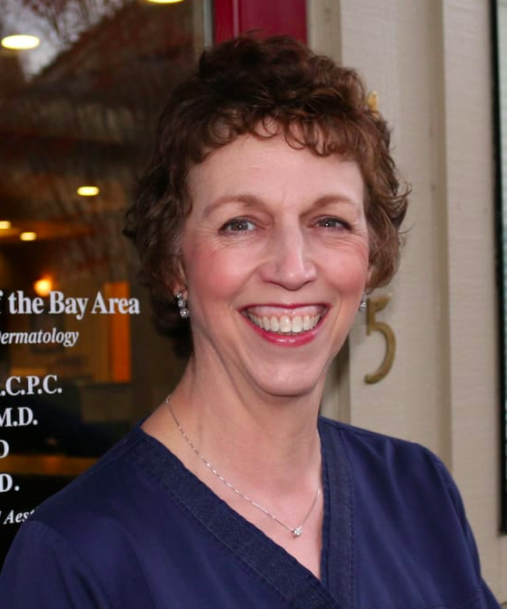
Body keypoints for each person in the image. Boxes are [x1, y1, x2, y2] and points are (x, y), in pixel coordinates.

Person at [0, 35, 501, 609]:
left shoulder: (418, 492)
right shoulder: (79, 556)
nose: (293, 268)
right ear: (173, 263)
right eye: (241, 223)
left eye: (330, 222)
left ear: (371, 259)